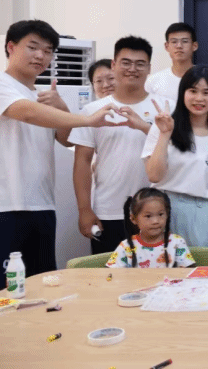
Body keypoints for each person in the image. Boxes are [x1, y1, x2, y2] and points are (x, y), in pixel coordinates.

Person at [1, 20, 117, 287]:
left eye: (48, 51)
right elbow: (25, 112)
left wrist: (63, 108)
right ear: (11, 47)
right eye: (33, 47)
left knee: (41, 284)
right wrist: (86, 119)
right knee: (7, 290)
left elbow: (65, 139)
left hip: (42, 204)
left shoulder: (42, 96)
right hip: (7, 205)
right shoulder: (4, 85)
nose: (41, 56)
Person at [70, 36, 165, 254]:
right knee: (109, 272)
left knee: (156, 272)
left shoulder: (165, 106)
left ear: (149, 68)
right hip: (108, 210)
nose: (133, 69)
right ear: (114, 65)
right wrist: (84, 209)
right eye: (126, 62)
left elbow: (177, 153)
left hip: (156, 212)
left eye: (140, 63)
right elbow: (82, 162)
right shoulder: (93, 110)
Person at [142, 66, 208, 247]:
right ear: (182, 93)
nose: (199, 98)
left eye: (207, 92)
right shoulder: (163, 126)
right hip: (163, 211)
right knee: (162, 264)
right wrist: (165, 134)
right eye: (193, 91)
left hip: (202, 214)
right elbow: (154, 176)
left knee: (201, 264)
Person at [106, 188, 195, 268]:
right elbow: (110, 274)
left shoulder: (177, 242)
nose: (155, 221)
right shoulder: (126, 247)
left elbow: (189, 273)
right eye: (148, 216)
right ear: (133, 219)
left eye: (160, 214)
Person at [145, 23, 197, 105]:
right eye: (174, 42)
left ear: (194, 46)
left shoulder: (206, 77)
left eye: (185, 41)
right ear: (167, 46)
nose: (179, 46)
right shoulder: (153, 81)